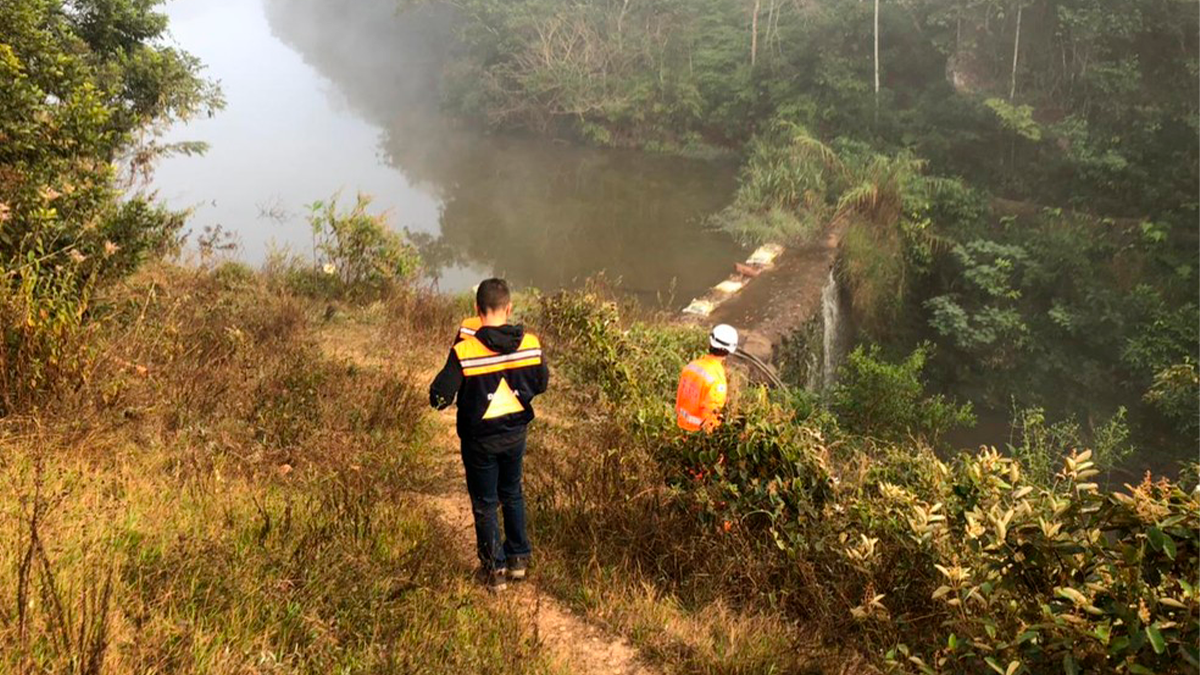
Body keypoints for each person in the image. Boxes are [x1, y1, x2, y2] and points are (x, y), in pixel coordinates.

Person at [430, 278, 549, 592]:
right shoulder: (531, 344)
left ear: (476, 310)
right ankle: (519, 560)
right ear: (509, 309)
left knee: (484, 503)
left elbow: (439, 397)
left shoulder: (465, 351)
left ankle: (494, 570)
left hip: (479, 442)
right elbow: (541, 383)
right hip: (515, 435)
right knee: (512, 493)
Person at [675, 324, 738, 432]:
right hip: (696, 436)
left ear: (710, 343)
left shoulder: (691, 366)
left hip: (679, 428)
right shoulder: (717, 379)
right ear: (729, 351)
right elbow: (711, 416)